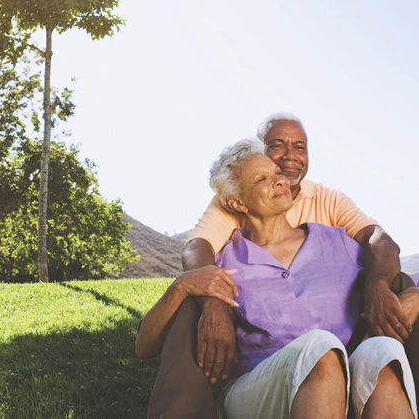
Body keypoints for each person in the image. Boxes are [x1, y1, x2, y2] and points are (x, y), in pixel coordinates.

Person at [146, 112, 419, 419]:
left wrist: (396, 290)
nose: (283, 171)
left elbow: (381, 246)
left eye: (298, 148)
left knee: (382, 353)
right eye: (276, 150)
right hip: (261, 383)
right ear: (237, 202)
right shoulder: (227, 256)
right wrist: (211, 299)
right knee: (320, 347)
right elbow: (198, 246)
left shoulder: (336, 236)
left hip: (343, 371)